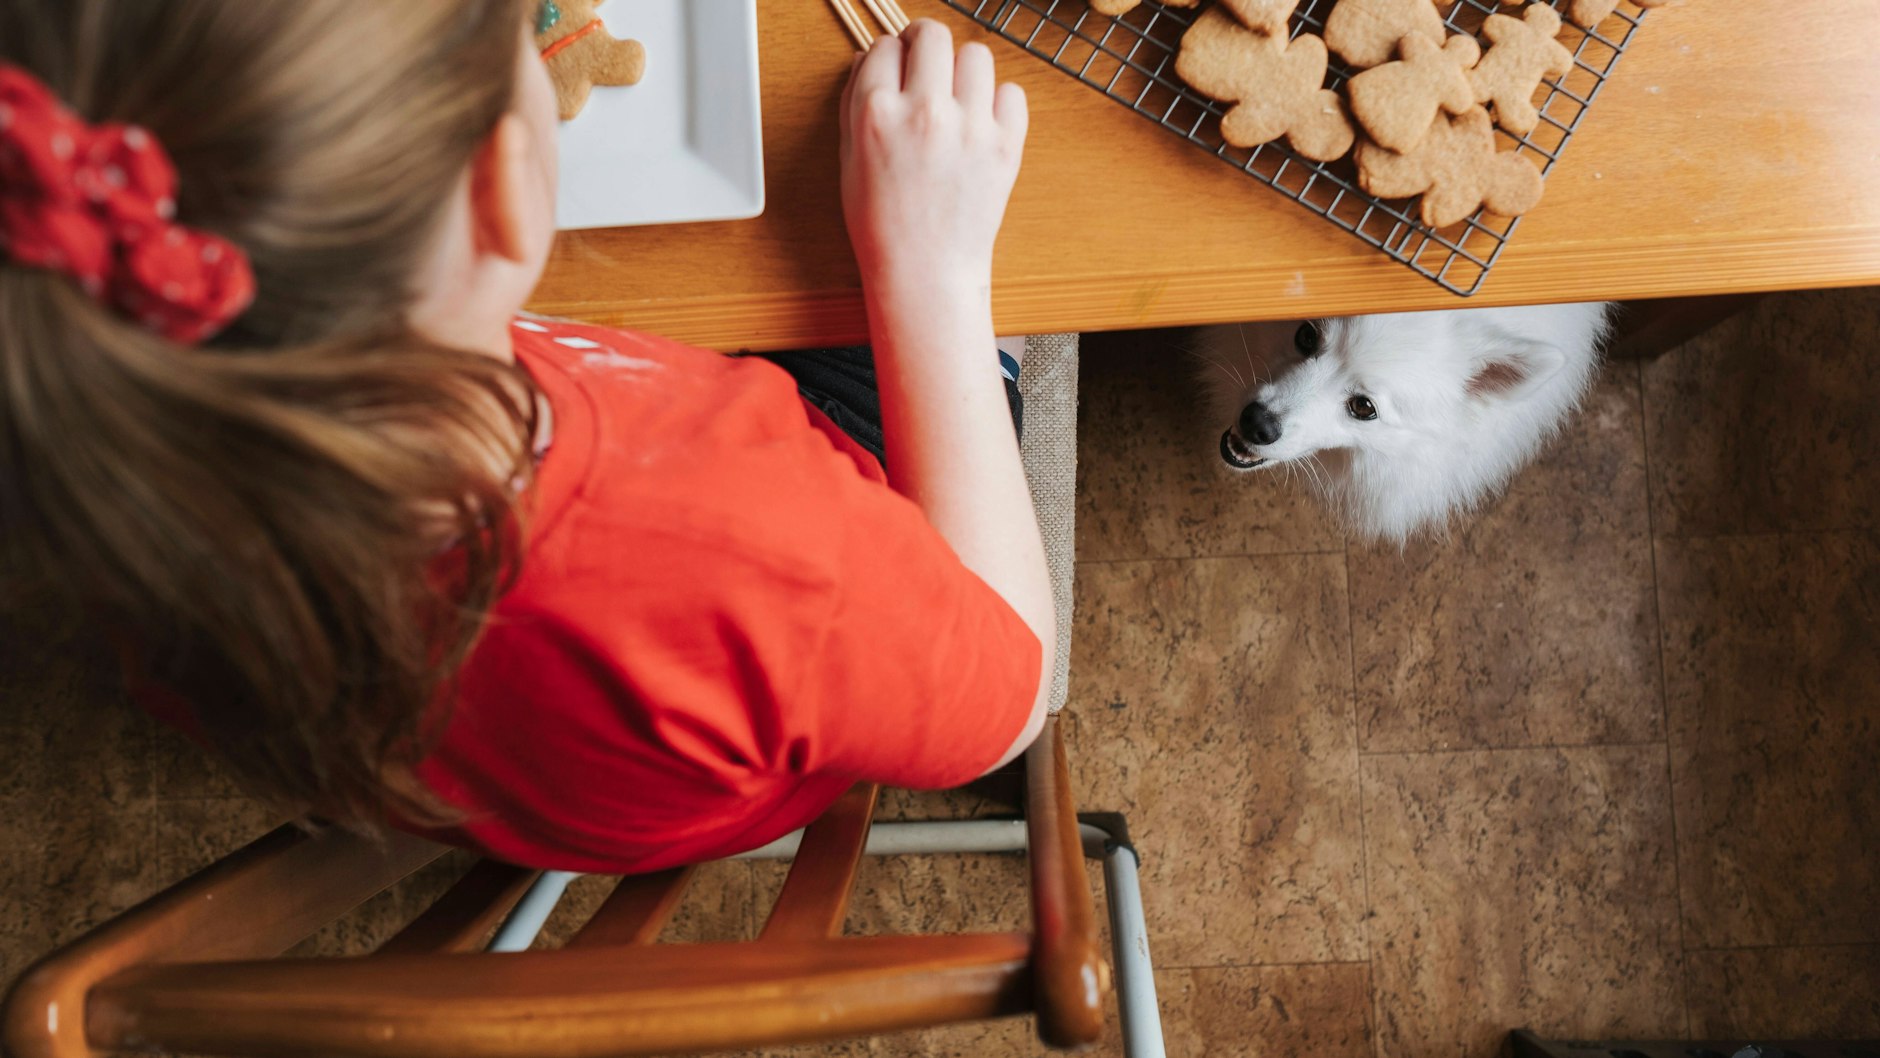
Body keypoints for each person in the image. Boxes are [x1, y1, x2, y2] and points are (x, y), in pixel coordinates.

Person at [0, 1, 1051, 874]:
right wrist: (932, 267)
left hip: (506, 757)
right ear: (503, 192)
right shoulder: (749, 549)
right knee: (997, 221)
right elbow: (1012, 702)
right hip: (744, 689)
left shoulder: (102, 447)